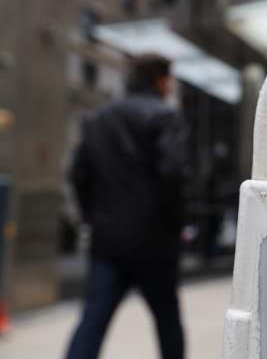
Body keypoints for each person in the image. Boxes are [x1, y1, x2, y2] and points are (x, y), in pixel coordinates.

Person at [65, 54, 187, 359]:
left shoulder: (97, 120)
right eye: (168, 79)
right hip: (155, 241)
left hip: (107, 241)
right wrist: (177, 223)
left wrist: (92, 217)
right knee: (167, 322)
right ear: (159, 79)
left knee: (93, 321)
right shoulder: (164, 117)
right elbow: (172, 174)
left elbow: (79, 174)